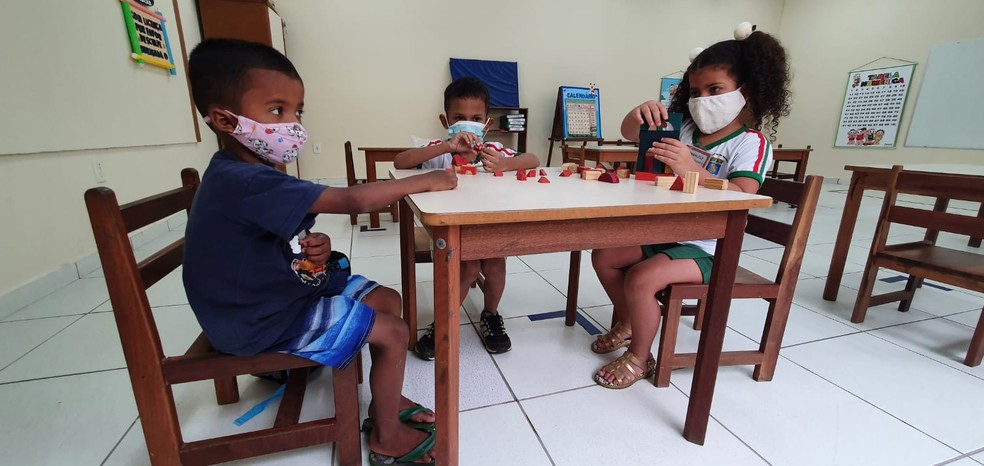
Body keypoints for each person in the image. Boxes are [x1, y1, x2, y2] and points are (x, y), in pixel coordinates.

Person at [184, 38, 457, 464]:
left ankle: (388, 401)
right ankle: (387, 435)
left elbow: (284, 242)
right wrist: (428, 181)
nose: (292, 125)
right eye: (277, 111)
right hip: (256, 319)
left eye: (297, 112)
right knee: (395, 331)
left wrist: (319, 247)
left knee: (389, 300)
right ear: (224, 119)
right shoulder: (245, 180)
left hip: (275, 293)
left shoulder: (251, 174)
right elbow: (353, 201)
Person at [591, 26, 790, 389]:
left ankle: (640, 356)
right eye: (696, 92)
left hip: (711, 248)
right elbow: (630, 130)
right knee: (603, 255)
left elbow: (744, 192)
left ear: (747, 90)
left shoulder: (751, 143)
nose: (703, 100)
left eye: (715, 91)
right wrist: (639, 112)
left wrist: (692, 169)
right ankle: (633, 319)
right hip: (667, 233)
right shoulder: (683, 125)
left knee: (640, 277)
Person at [393, 77, 539, 360]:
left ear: (487, 124)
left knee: (496, 265)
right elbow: (401, 161)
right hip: (451, 232)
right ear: (445, 120)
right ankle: (444, 322)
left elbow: (532, 159)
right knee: (469, 268)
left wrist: (506, 164)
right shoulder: (439, 151)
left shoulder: (493, 152)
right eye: (459, 118)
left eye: (475, 118)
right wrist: (447, 147)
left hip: (487, 228)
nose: (468, 124)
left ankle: (491, 313)